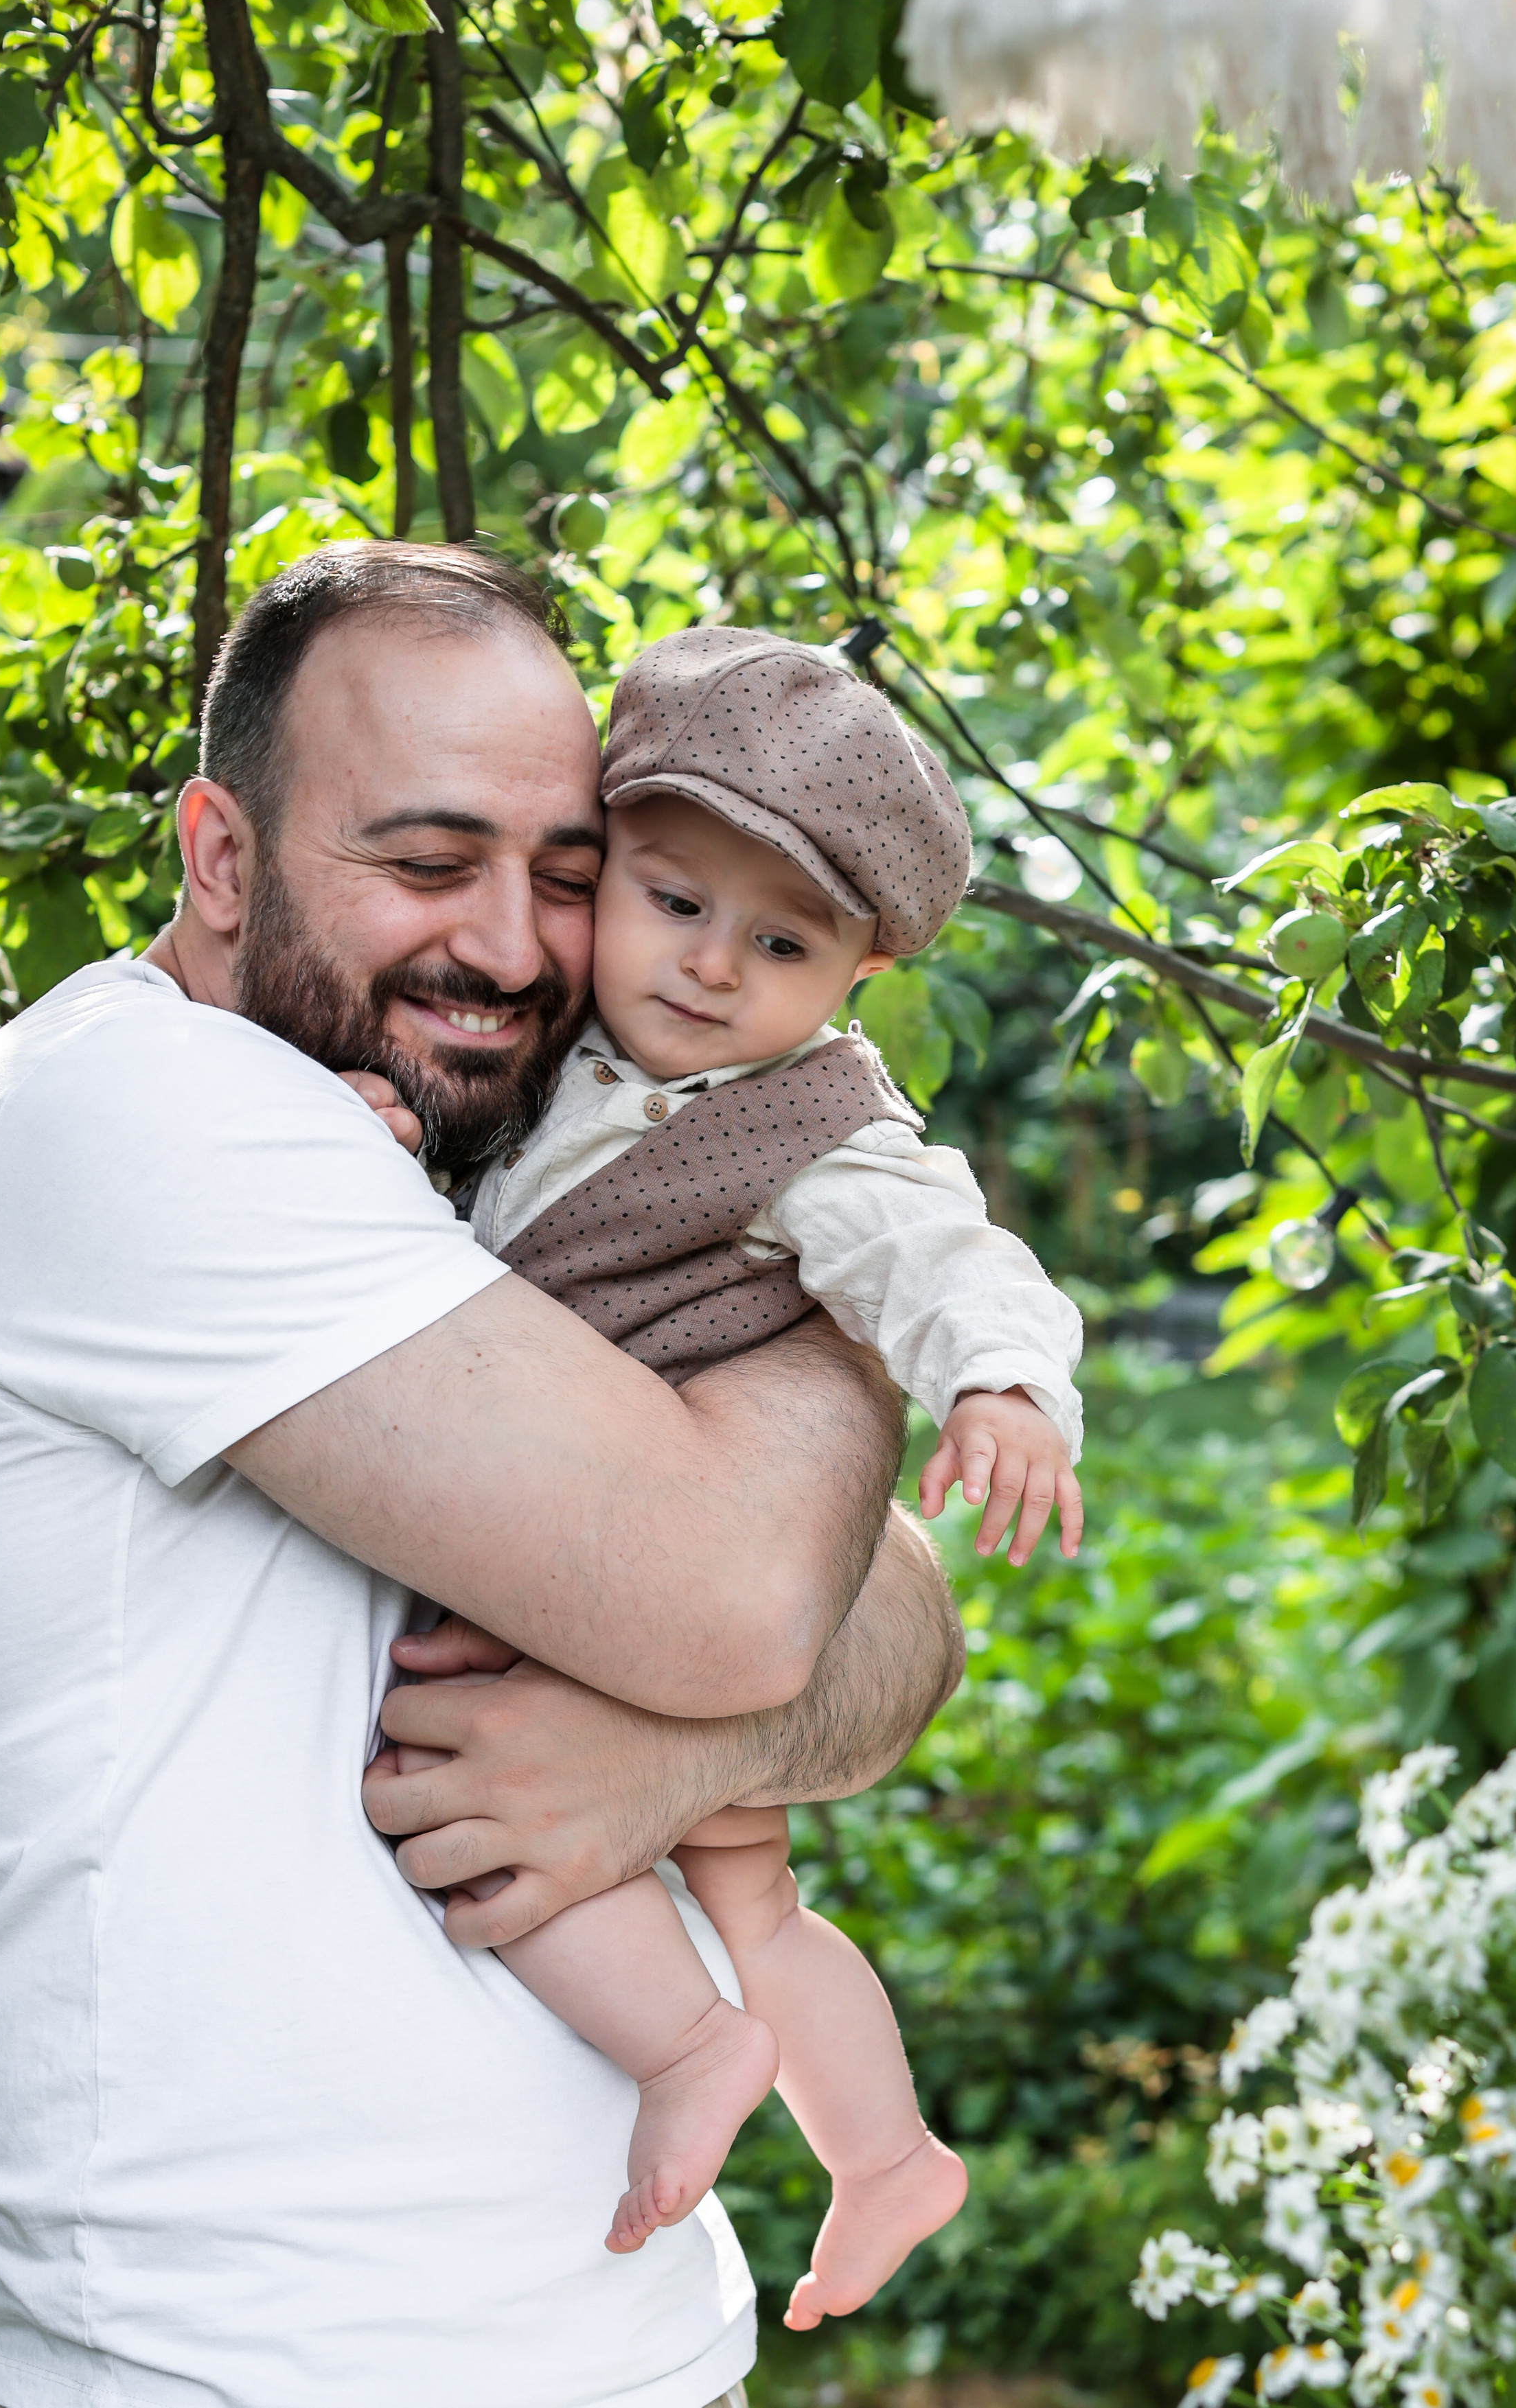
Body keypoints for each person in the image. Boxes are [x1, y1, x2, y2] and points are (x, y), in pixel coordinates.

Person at [0, 542, 962, 2408]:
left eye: (564, 877)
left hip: (638, 2352)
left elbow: (896, 1625)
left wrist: (684, 1749)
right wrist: (821, 1260)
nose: (507, 949)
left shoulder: (472, 1168)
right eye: (425, 863)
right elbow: (756, 1592)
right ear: (221, 857)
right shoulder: (139, 1110)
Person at [362, 629, 1083, 2327]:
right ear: (604, 863)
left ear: (859, 971)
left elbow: (941, 1251)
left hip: (625, 1549)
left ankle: (694, 2047)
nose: (705, 966)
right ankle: (884, 2152)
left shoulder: (818, 1130)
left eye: (779, 944)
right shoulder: (540, 1038)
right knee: (752, 1889)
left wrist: (1000, 1380)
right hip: (586, 1519)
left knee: (472, 1800)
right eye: (673, 901)